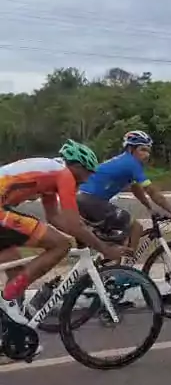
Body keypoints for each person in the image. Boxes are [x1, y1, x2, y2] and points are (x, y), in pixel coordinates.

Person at [0, 139, 127, 330]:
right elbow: (74, 224)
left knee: (15, 271)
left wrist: (88, 232)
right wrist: (105, 249)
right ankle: (8, 299)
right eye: (87, 173)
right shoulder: (64, 174)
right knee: (61, 245)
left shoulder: (51, 174)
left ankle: (11, 335)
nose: (86, 180)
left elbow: (55, 217)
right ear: (76, 166)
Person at [77, 130, 171, 255]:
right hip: (92, 200)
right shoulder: (132, 163)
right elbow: (152, 191)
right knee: (136, 228)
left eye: (148, 151)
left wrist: (150, 208)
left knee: (118, 239)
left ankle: (109, 262)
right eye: (143, 150)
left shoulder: (124, 162)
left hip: (83, 199)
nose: (147, 155)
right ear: (130, 149)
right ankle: (128, 264)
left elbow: (136, 188)